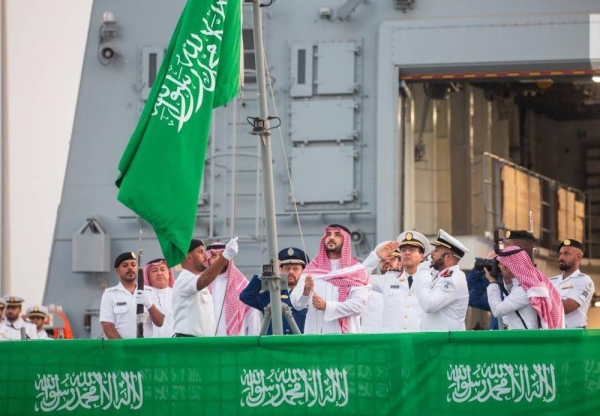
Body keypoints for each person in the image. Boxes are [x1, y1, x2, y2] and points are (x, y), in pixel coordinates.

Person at [291, 224, 370, 334]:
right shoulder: (311, 270)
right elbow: (296, 304)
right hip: (316, 336)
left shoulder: (356, 271)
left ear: (346, 241)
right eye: (328, 234)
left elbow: (358, 305)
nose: (331, 237)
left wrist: (326, 306)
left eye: (337, 235)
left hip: (346, 337)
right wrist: (306, 291)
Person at [362, 231, 432, 332]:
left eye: (412, 250)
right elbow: (359, 277)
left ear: (421, 256)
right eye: (403, 250)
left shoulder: (430, 279)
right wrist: (376, 257)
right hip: (392, 342)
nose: (407, 253)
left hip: (417, 342)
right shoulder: (388, 279)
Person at [467, 229, 536, 329]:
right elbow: (471, 291)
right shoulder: (508, 280)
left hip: (521, 342)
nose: (503, 250)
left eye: (508, 246)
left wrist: (493, 283)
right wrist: (489, 266)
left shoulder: (527, 286)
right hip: (506, 339)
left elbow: (498, 311)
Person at [171, 238, 238, 337]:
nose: (206, 256)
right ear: (189, 257)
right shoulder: (184, 280)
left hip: (202, 344)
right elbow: (203, 280)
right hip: (189, 344)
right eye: (200, 252)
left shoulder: (195, 280)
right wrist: (225, 256)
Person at [488, 245, 565, 329]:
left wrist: (493, 283)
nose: (499, 266)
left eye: (501, 263)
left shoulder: (524, 291)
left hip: (524, 340)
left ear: (510, 266)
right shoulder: (529, 286)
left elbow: (497, 311)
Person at [239, 247, 309, 334]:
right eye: (287, 268)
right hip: (274, 345)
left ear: (303, 271)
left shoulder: (308, 295)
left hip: (301, 345)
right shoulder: (272, 295)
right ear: (280, 270)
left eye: (295, 269)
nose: (291, 272)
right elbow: (246, 296)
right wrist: (267, 274)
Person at [99, 252, 164, 339]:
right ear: (117, 270)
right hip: (122, 348)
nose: (130, 268)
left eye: (133, 265)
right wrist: (123, 349)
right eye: (125, 266)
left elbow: (160, 322)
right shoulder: (110, 294)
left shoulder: (149, 292)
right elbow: (107, 326)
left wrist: (150, 305)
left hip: (145, 348)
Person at [417, 230, 469, 331]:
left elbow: (429, 304)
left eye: (436, 250)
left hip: (447, 343)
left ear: (448, 257)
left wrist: (423, 271)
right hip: (438, 341)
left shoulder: (453, 278)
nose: (432, 253)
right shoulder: (440, 276)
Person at [206, 242, 261, 336]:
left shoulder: (242, 285)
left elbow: (253, 318)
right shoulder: (201, 285)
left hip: (237, 343)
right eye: (214, 256)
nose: (218, 260)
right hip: (206, 343)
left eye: (222, 255)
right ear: (208, 259)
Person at [549, 239, 594, 329]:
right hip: (552, 333)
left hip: (573, 334)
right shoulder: (551, 281)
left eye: (566, 254)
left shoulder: (584, 281)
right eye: (560, 254)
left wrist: (543, 299)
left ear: (578, 257)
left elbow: (568, 307)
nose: (561, 257)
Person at [142, 258, 175, 337]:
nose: (159, 273)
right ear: (148, 276)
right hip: (151, 345)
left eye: (163, 269)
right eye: (154, 270)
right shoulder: (143, 296)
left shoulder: (177, 294)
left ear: (169, 274)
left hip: (174, 344)